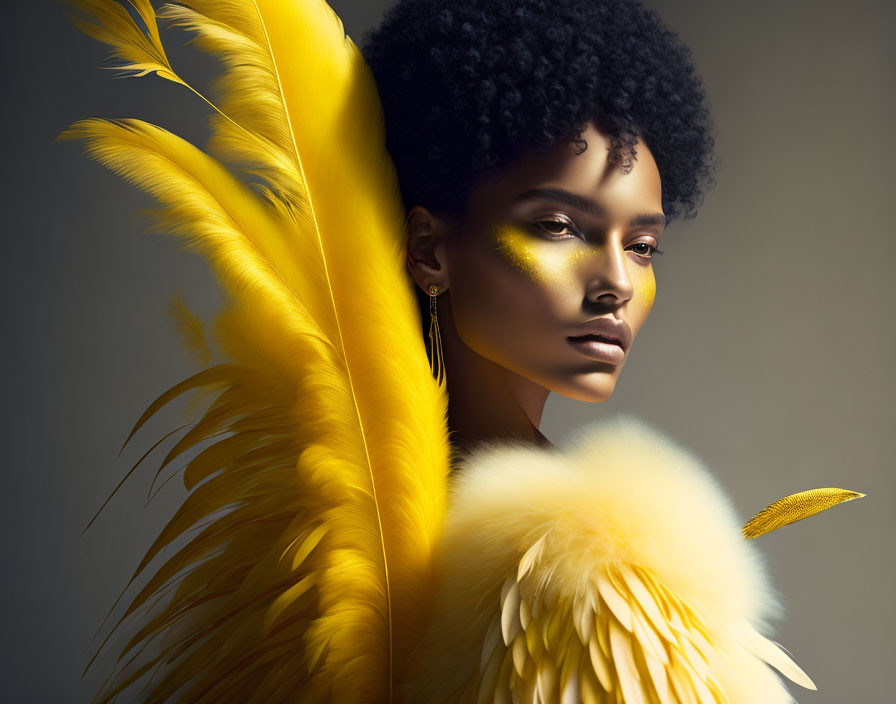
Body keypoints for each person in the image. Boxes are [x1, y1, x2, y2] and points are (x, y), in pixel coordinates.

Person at [65, 0, 861, 701]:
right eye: (559, 227)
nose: (616, 280)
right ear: (431, 248)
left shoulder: (319, 528)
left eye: (644, 245)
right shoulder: (574, 578)